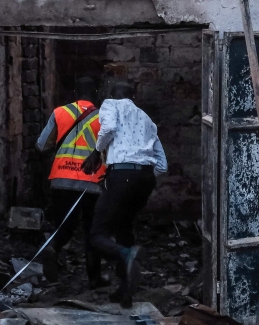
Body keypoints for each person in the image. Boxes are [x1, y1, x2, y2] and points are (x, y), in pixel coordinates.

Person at [83, 81, 168, 308]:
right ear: (134, 96)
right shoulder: (147, 119)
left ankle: (125, 255)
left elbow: (108, 129)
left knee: (97, 235)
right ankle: (125, 291)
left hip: (122, 176)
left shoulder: (110, 105)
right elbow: (162, 165)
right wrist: (139, 175)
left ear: (112, 95)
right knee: (124, 229)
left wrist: (97, 152)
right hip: (145, 179)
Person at [35, 76, 109, 287]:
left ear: (75, 94)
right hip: (91, 181)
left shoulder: (60, 112)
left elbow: (41, 145)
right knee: (92, 231)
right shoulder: (104, 118)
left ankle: (54, 247)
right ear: (95, 94)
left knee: (65, 226)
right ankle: (94, 278)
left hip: (60, 179)